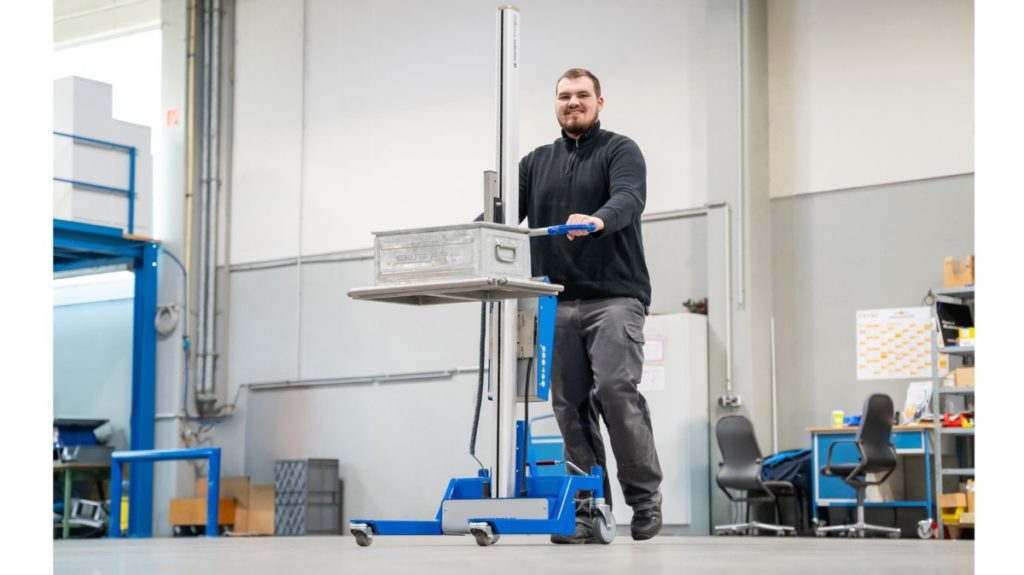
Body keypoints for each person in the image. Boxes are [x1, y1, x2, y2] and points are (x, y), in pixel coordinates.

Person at [518, 68, 663, 543]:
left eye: (582, 94)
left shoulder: (620, 150)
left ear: (599, 102)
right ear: (555, 104)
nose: (572, 102)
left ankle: (644, 499)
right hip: (556, 299)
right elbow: (498, 217)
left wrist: (598, 221)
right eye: (564, 96)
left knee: (616, 392)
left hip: (614, 297)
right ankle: (588, 510)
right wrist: (461, 243)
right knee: (569, 407)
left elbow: (629, 198)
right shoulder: (534, 163)